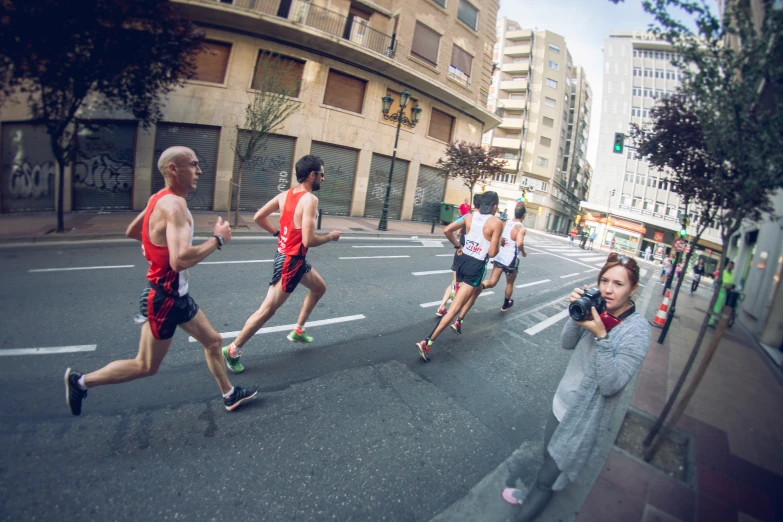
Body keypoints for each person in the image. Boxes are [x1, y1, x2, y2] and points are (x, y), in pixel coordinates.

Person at [64, 146, 258, 416]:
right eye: (193, 164)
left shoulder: (159, 198)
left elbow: (133, 230)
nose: (199, 171)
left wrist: (157, 249)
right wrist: (219, 239)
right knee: (145, 365)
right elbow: (180, 260)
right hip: (164, 299)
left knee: (213, 341)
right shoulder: (175, 205)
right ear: (173, 169)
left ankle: (229, 394)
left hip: (176, 296)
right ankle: (81, 382)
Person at [501, 252, 649, 520]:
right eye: (604, 280)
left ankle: (530, 506)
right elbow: (567, 343)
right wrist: (576, 313)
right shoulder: (598, 307)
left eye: (618, 283)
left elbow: (610, 384)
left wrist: (601, 336)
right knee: (547, 460)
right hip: (561, 403)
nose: (607, 289)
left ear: (633, 289)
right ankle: (539, 491)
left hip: (582, 419)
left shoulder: (637, 331)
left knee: (547, 478)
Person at [221, 155, 341, 373]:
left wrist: (277, 233)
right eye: (322, 174)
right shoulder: (310, 200)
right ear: (312, 175)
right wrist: (331, 237)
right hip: (291, 262)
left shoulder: (285, 195)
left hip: (291, 257)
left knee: (319, 288)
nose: (323, 179)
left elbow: (258, 216)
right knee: (267, 310)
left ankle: (298, 329)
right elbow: (309, 240)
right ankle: (233, 349)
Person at [416, 191, 503, 361]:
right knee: (454, 308)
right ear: (494, 206)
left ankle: (460, 317)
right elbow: (492, 253)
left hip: (462, 261)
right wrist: (498, 242)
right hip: (476, 266)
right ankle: (427, 342)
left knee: (477, 290)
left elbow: (448, 230)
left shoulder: (470, 216)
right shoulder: (496, 223)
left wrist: (458, 246)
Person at [436, 193, 483, 317]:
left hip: (460, 253)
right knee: (466, 286)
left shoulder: (467, 216)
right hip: (473, 257)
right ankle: (455, 314)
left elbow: (454, 232)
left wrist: (458, 245)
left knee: (454, 282)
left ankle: (442, 306)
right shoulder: (486, 221)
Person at [482, 203, 528, 311]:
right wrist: (523, 252)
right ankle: (505, 304)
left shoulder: (505, 223)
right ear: (524, 215)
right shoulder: (521, 228)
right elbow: (519, 243)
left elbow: (498, 237)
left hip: (500, 256)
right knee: (510, 283)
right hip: (511, 260)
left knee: (492, 282)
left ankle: (475, 288)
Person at [708, 261, 735, 327]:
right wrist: (728, 286)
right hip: (721, 291)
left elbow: (730, 284)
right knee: (717, 307)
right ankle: (710, 321)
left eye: (732, 266)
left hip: (725, 293)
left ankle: (713, 320)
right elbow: (723, 283)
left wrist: (731, 286)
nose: (730, 267)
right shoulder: (724, 272)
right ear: (728, 265)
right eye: (730, 265)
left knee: (719, 307)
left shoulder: (731, 275)